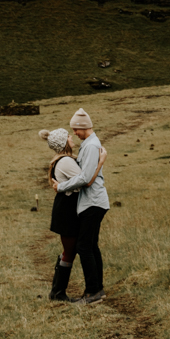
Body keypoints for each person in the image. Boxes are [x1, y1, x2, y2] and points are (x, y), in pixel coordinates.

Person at [37, 127, 105, 302]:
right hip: (68, 210)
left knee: (72, 250)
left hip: (68, 208)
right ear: (63, 142)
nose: (71, 137)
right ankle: (58, 293)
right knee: (70, 251)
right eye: (67, 136)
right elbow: (86, 180)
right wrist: (101, 162)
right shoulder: (65, 162)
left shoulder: (66, 159)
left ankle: (58, 292)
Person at [56, 107, 110, 304]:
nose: (74, 134)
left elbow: (86, 179)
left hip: (92, 202)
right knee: (91, 246)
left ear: (83, 127)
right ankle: (98, 290)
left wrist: (61, 186)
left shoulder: (90, 145)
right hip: (94, 202)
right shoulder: (90, 144)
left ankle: (92, 292)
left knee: (84, 246)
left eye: (75, 130)